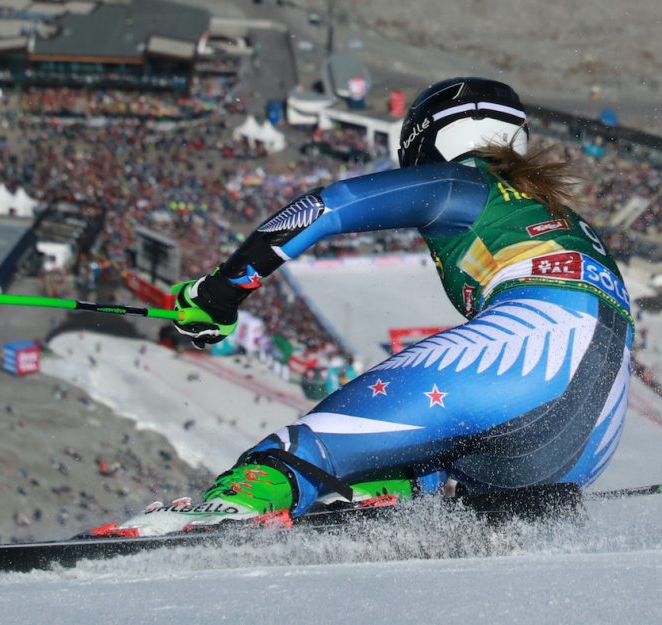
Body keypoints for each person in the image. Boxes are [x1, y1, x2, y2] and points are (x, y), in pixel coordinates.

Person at [108, 77, 633, 536]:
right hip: (590, 431)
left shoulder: (463, 183)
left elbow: (325, 207)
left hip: (528, 354)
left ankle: (233, 505)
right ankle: (381, 495)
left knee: (305, 447)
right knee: (432, 458)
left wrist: (220, 293)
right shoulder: (557, 213)